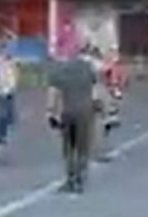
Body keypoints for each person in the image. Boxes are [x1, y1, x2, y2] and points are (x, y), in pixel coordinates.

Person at [48, 48, 98, 194]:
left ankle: (70, 179)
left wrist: (51, 112)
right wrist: (97, 105)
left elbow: (53, 92)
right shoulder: (88, 69)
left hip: (67, 112)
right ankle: (80, 179)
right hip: (85, 112)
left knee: (69, 147)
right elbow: (95, 90)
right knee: (83, 147)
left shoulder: (60, 70)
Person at [0, 42, 19, 164]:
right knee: (2, 119)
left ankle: (2, 147)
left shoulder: (11, 62)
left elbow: (13, 77)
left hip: (9, 93)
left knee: (9, 119)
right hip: (0, 94)